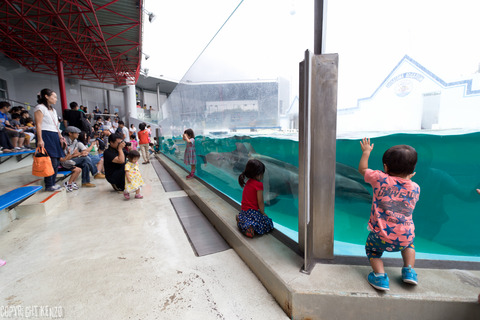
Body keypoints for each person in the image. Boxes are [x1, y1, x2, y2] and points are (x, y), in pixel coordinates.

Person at [358, 138, 420, 291]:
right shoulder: (416, 188)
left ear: (385, 166)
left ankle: (380, 276)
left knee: (372, 251)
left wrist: (366, 152)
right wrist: (407, 179)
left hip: (380, 235)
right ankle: (409, 271)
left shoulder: (379, 178)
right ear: (413, 171)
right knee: (409, 246)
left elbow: (362, 169)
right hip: (405, 235)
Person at [34, 89, 66, 191]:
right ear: (46, 96)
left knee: (56, 161)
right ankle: (49, 185)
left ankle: (53, 183)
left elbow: (56, 125)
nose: (56, 99)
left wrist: (60, 136)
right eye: (54, 97)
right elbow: (38, 124)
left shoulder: (53, 110)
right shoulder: (40, 108)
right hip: (46, 135)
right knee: (50, 162)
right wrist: (40, 139)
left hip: (55, 135)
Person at [236, 159, 274, 238]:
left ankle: (241, 220)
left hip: (244, 211)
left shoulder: (248, 182)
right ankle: (249, 228)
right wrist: (263, 212)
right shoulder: (258, 185)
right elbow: (260, 201)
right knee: (267, 222)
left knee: (249, 218)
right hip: (252, 212)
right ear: (259, 174)